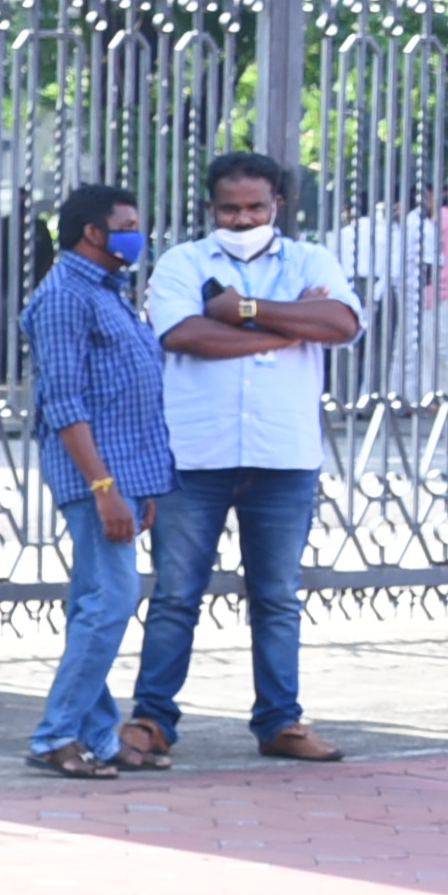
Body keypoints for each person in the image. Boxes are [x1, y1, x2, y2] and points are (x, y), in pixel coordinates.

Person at [122, 151, 361, 768]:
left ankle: (280, 721)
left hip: (283, 456)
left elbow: (340, 321)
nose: (243, 218)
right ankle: (153, 719)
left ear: (277, 204)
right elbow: (183, 335)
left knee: (277, 597)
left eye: (255, 206)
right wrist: (291, 328)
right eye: (230, 208)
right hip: (195, 456)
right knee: (176, 595)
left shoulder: (312, 260)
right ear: (211, 207)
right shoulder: (183, 263)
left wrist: (246, 310)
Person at [19, 182, 166, 780]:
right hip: (95, 479)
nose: (137, 236)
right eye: (126, 226)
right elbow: (64, 403)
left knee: (93, 603)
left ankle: (98, 735)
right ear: (92, 233)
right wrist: (104, 489)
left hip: (122, 476)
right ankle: (54, 734)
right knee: (111, 602)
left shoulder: (108, 291)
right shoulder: (64, 298)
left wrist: (140, 485)